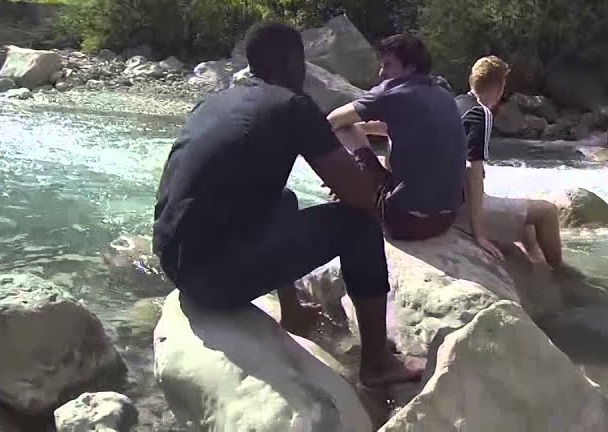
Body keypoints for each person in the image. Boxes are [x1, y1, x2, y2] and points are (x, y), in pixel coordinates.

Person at [152, 21, 425, 387]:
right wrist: (373, 176)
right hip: (212, 280)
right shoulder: (294, 106)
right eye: (302, 61)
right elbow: (360, 198)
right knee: (358, 227)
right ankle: (377, 363)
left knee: (283, 198)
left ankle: (292, 313)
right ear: (291, 61)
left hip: (175, 260)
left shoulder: (214, 102)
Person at [326, 33, 468, 241]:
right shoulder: (443, 94)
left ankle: (358, 184)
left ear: (410, 67)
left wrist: (344, 173)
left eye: (388, 65)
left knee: (344, 129)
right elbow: (404, 129)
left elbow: (332, 121)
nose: (381, 72)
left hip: (406, 222)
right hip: (445, 219)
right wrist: (364, 129)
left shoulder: (391, 92)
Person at [452, 56, 563, 267]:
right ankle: (560, 273)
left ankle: (538, 269)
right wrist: (480, 234)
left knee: (527, 227)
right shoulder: (480, 113)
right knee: (547, 212)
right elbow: (473, 173)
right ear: (499, 86)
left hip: (446, 199)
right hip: (460, 208)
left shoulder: (455, 103)